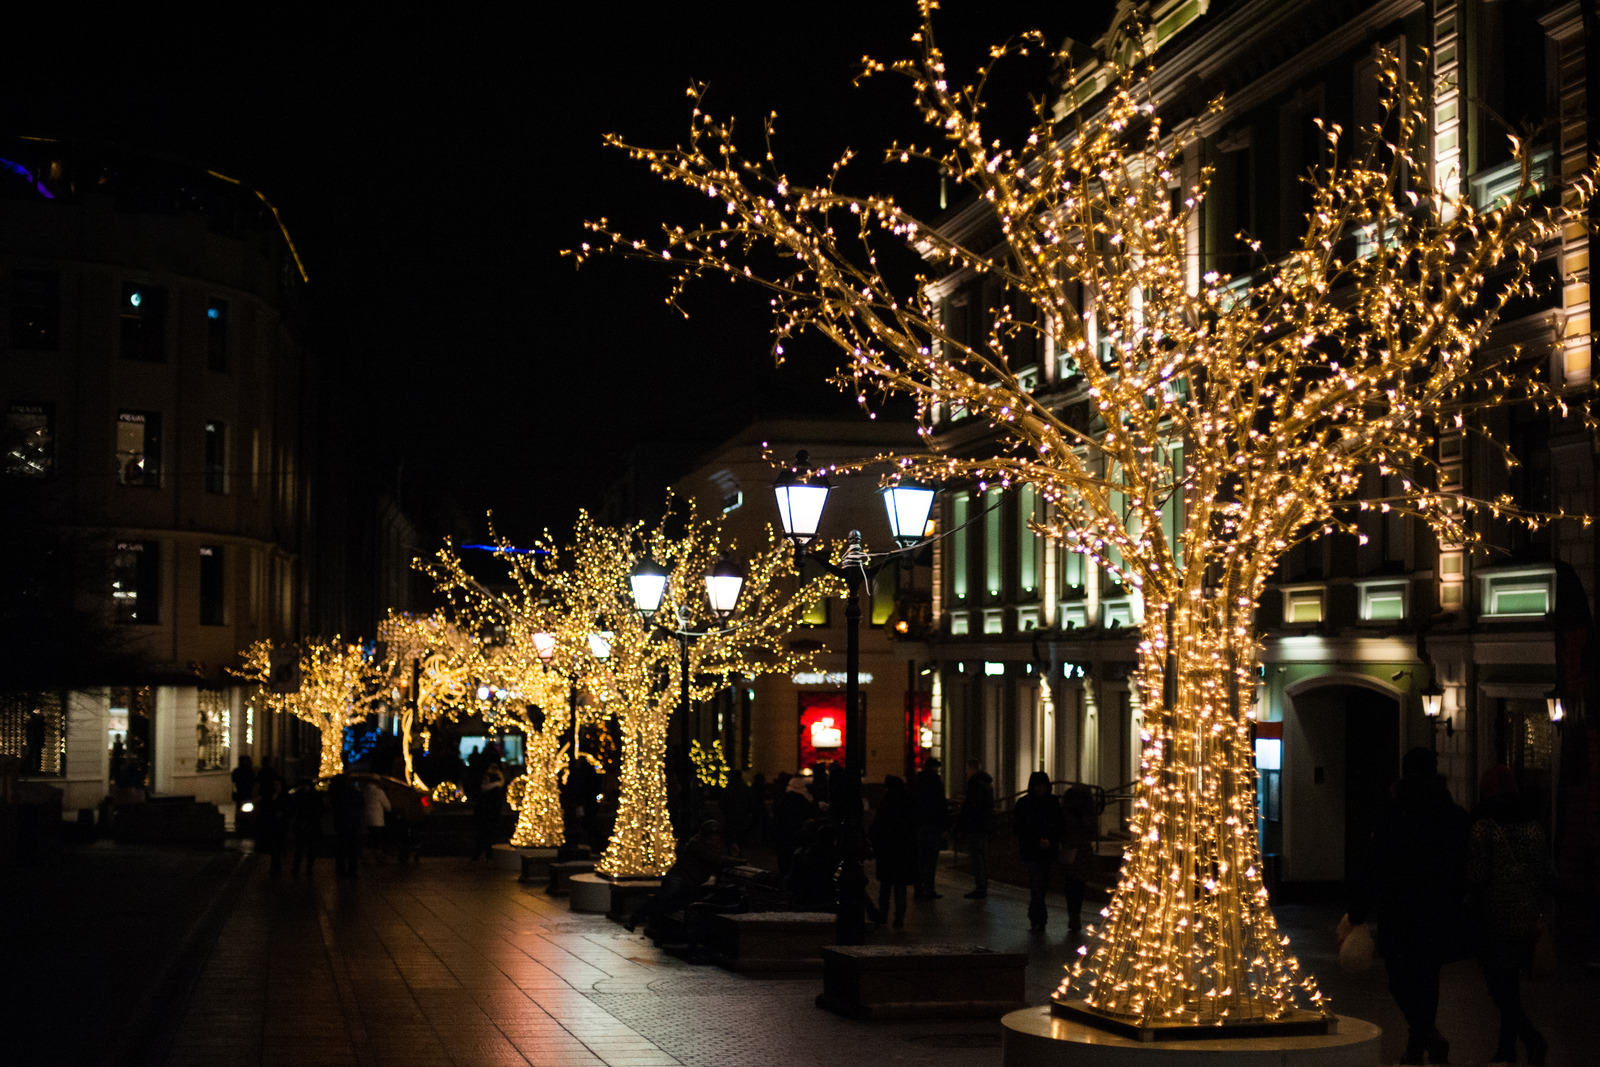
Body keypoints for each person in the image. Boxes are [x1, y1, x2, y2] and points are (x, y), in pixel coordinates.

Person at [1349, 746, 1470, 1066]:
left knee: (1400, 980)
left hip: (1400, 914)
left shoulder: (1393, 817)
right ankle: (1417, 1048)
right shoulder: (1455, 816)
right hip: (1441, 913)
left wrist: (1357, 911)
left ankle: (1428, 1036)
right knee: (1428, 980)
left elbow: (1374, 867)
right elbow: (1466, 866)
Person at [1469, 763, 1553, 1066]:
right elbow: (1546, 872)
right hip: (1526, 918)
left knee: (1499, 988)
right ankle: (1506, 1051)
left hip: (1493, 920)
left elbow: (1476, 876)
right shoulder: (1534, 828)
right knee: (1511, 985)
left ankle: (1530, 1039)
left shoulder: (1483, 828)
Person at [626, 819, 743, 933]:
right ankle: (637, 917)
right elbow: (716, 859)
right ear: (703, 836)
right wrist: (739, 861)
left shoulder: (718, 848)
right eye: (710, 838)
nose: (713, 841)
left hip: (690, 883)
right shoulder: (696, 844)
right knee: (668, 893)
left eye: (715, 838)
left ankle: (650, 923)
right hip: (677, 877)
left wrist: (734, 854)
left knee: (676, 902)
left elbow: (722, 860)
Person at [1013, 770, 1066, 931]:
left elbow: (1058, 825)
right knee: (1037, 883)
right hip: (1033, 850)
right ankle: (1039, 918)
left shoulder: (1051, 803)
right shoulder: (1026, 804)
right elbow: (1020, 827)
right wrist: (1040, 840)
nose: (1040, 789)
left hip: (1045, 850)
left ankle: (1035, 914)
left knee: (1041, 884)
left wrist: (1050, 840)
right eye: (1038, 786)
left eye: (1042, 786)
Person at [869, 775, 917, 927]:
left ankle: (883, 915)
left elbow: (877, 828)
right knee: (900, 886)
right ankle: (899, 917)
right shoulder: (907, 803)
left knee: (885, 886)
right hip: (902, 851)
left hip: (887, 851)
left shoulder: (886, 804)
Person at [1060, 784, 1099, 931]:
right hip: (1082, 851)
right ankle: (1075, 914)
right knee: (1079, 884)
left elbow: (1064, 830)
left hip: (1071, 849)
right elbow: (1091, 830)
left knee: (1071, 884)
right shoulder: (1088, 813)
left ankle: (1073, 914)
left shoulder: (1067, 812)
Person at [910, 757, 947, 899]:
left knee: (920, 858)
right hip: (932, 825)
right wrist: (944, 826)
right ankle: (929, 888)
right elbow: (941, 805)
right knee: (931, 859)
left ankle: (918, 889)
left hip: (920, 824)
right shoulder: (936, 782)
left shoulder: (916, 781)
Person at [959, 758, 995, 899]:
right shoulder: (986, 784)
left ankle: (980, 886)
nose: (966, 772)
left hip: (976, 826)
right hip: (984, 826)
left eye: (967, 769)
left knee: (977, 857)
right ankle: (983, 885)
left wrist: (964, 823)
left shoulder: (975, 785)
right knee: (982, 856)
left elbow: (972, 808)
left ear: (972, 769)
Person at [774, 774, 816, 883]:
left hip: (783, 839)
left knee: (785, 866)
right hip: (798, 839)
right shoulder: (805, 801)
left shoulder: (783, 799)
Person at [254, 776, 291, 876]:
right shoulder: (269, 797)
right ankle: (275, 867)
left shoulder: (284, 797)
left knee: (278, 846)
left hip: (281, 826)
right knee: (274, 847)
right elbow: (265, 809)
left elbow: (288, 810)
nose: (277, 787)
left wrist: (283, 813)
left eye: (279, 785)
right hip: (272, 825)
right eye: (275, 785)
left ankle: (276, 867)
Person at [330, 775, 365, 877]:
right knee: (352, 849)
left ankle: (341, 870)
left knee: (342, 849)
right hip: (352, 823)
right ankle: (351, 870)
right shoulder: (352, 792)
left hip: (342, 823)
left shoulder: (336, 793)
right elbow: (360, 802)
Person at [470, 763, 507, 861]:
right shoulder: (490, 789)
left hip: (487, 817)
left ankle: (480, 855)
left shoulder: (492, 791)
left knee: (483, 836)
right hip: (487, 817)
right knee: (485, 836)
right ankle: (485, 855)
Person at [290, 778, 324, 876]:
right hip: (305, 825)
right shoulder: (304, 796)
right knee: (301, 848)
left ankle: (306, 868)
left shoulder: (308, 796)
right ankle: (298, 867)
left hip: (309, 825)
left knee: (308, 848)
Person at [360, 778, 392, 862]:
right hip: (377, 819)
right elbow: (387, 806)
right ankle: (378, 856)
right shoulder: (379, 792)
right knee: (376, 838)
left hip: (366, 818)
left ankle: (367, 855)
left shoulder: (364, 792)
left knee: (369, 837)